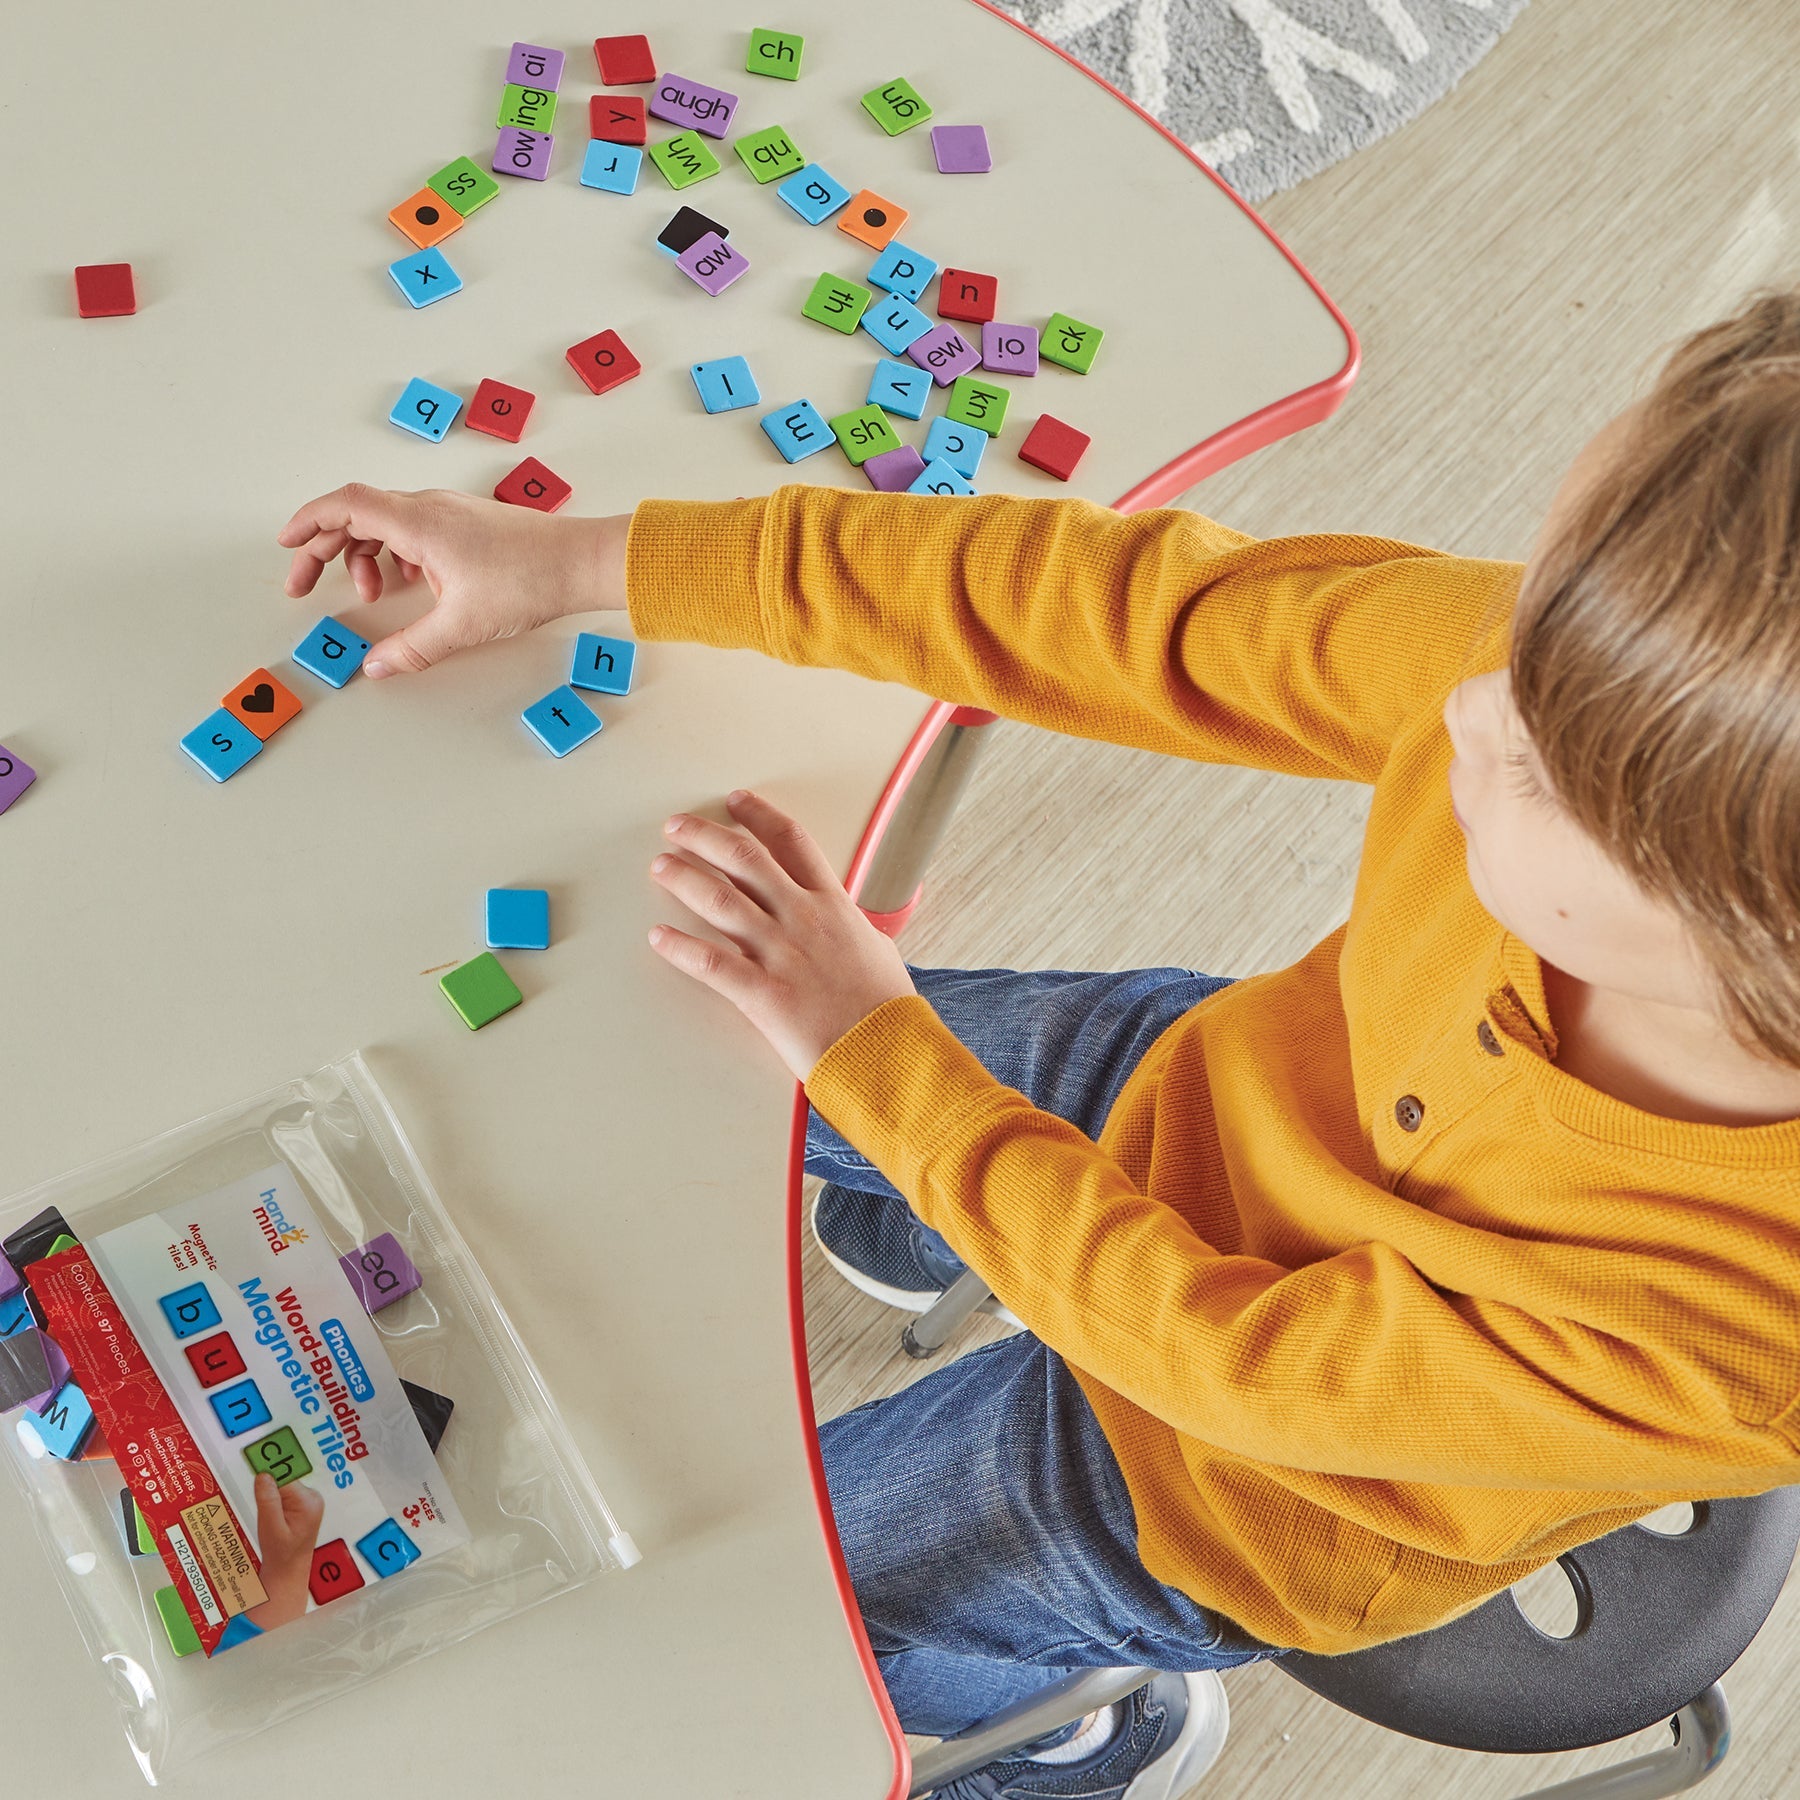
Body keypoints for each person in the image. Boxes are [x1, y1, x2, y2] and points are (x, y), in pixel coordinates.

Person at [275, 288, 1800, 1799]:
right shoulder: (1582, 686)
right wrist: (585, 560)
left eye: (1529, 768)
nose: (1465, 702)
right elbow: (1139, 614)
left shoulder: (1749, 1320)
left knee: (803, 1605)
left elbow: (1233, 1365)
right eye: (1524, 617)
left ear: (1743, 951)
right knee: (707, 1022)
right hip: (1213, 1096)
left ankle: (1076, 1725)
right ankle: (936, 1228)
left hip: (1233, 1483)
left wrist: (880, 1058)